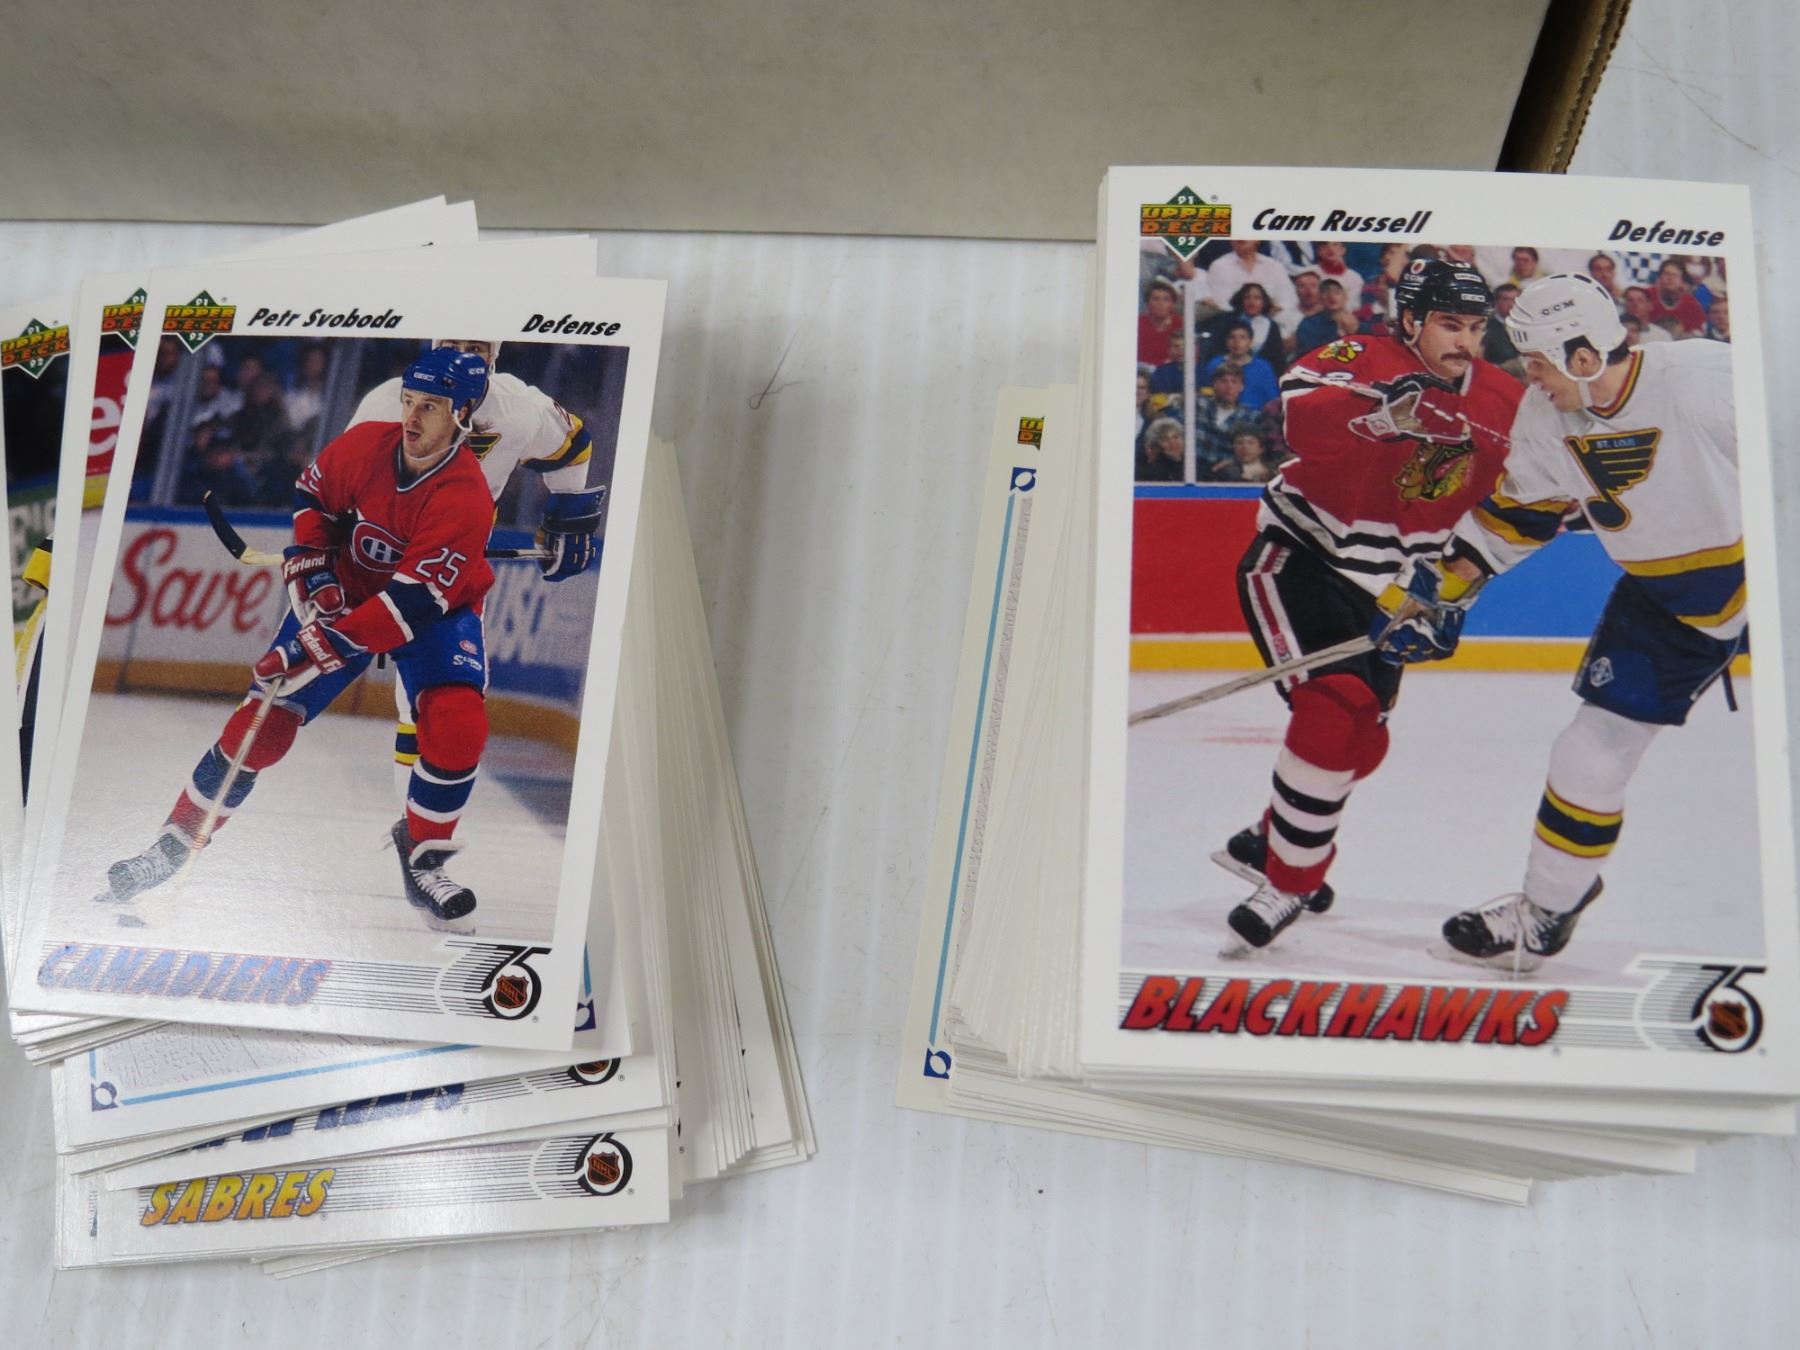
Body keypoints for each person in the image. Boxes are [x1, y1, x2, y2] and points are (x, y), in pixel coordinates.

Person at [1374, 274, 1742, 970]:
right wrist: (1440, 588)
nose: (1529, 378)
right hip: (1662, 603)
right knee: (1586, 754)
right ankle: (1545, 912)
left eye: (1538, 363)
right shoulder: (1546, 418)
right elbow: (1520, 513)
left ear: (1584, 356)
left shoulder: (1704, 378)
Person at [100, 349, 502, 926]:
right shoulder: (366, 444)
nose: (412, 418)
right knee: (261, 726)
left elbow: (409, 606)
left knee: (458, 724)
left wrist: (313, 646)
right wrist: (314, 568)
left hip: (437, 613)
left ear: (462, 414)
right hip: (351, 590)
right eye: (409, 401)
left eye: (431, 407)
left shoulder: (466, 497)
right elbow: (313, 497)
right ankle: (174, 844)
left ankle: (425, 856)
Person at [1215, 259, 1525, 949]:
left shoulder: (1505, 400)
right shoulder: (1358, 357)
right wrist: (1380, 416)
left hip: (1393, 593)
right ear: (1411, 320)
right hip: (1304, 558)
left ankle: (1268, 842)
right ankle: (1289, 883)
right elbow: (1301, 421)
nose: (1465, 341)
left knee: (1367, 739)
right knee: (1336, 710)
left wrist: (1454, 594)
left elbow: (1518, 506)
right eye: (1449, 324)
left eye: (1475, 327)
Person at [349, 338, 605, 801]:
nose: (465, 354)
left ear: (496, 354)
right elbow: (340, 480)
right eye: (453, 343)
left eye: (477, 347)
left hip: (453, 574)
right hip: (380, 559)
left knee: (431, 704)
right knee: (298, 681)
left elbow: (573, 446)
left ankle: (414, 827)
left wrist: (565, 515)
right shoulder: (387, 403)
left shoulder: (518, 407)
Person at [1206, 241, 1299, 331]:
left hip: (1272, 322)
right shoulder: (1219, 266)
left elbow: (1288, 299)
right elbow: (1221, 303)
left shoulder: (1275, 266)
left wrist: (1270, 314)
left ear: (1257, 240)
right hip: (1234, 325)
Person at [1191, 364, 1266, 471]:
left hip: (1227, 471)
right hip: (1192, 468)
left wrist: (1233, 462)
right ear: (1214, 384)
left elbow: (1253, 451)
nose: (1229, 386)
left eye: (1234, 382)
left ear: (1241, 387)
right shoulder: (1198, 405)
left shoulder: (1251, 416)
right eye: (1223, 381)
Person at [1202, 321, 1279, 409]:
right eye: (1232, 337)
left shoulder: (1263, 368)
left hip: (1256, 415)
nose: (1237, 342)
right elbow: (1207, 393)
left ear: (1250, 342)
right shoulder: (1215, 364)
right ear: (1226, 341)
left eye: (1243, 338)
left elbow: (1273, 400)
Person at [1644, 259, 1707, 335]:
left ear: (1682, 281)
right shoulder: (1645, 296)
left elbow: (1698, 332)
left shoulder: (1691, 304)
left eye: (1675, 275)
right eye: (1666, 274)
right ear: (1659, 278)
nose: (1670, 278)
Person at [1138, 277, 1182, 367]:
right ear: (1148, 303)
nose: (1160, 304)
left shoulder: (1181, 324)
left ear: (1172, 304)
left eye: (1166, 299)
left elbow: (1192, 355)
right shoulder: (1139, 324)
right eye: (1155, 299)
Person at [1137, 417, 1187, 482]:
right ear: (1157, 446)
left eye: (1176, 437)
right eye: (1165, 439)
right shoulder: (1152, 473)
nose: (1172, 443)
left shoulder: (1197, 464)